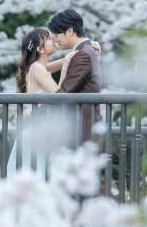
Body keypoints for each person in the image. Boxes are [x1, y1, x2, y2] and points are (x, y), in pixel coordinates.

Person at [6, 27, 100, 178]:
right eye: (48, 38)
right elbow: (58, 95)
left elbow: (66, 59)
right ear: (40, 48)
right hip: (36, 129)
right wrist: (66, 68)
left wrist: (86, 45)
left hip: (36, 127)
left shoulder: (39, 67)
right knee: (37, 175)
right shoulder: (37, 68)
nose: (54, 40)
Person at [47, 9, 102, 144]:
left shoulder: (83, 55)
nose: (55, 39)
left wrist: (33, 115)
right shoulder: (85, 51)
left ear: (69, 31)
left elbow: (64, 93)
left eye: (56, 34)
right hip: (83, 130)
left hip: (81, 132)